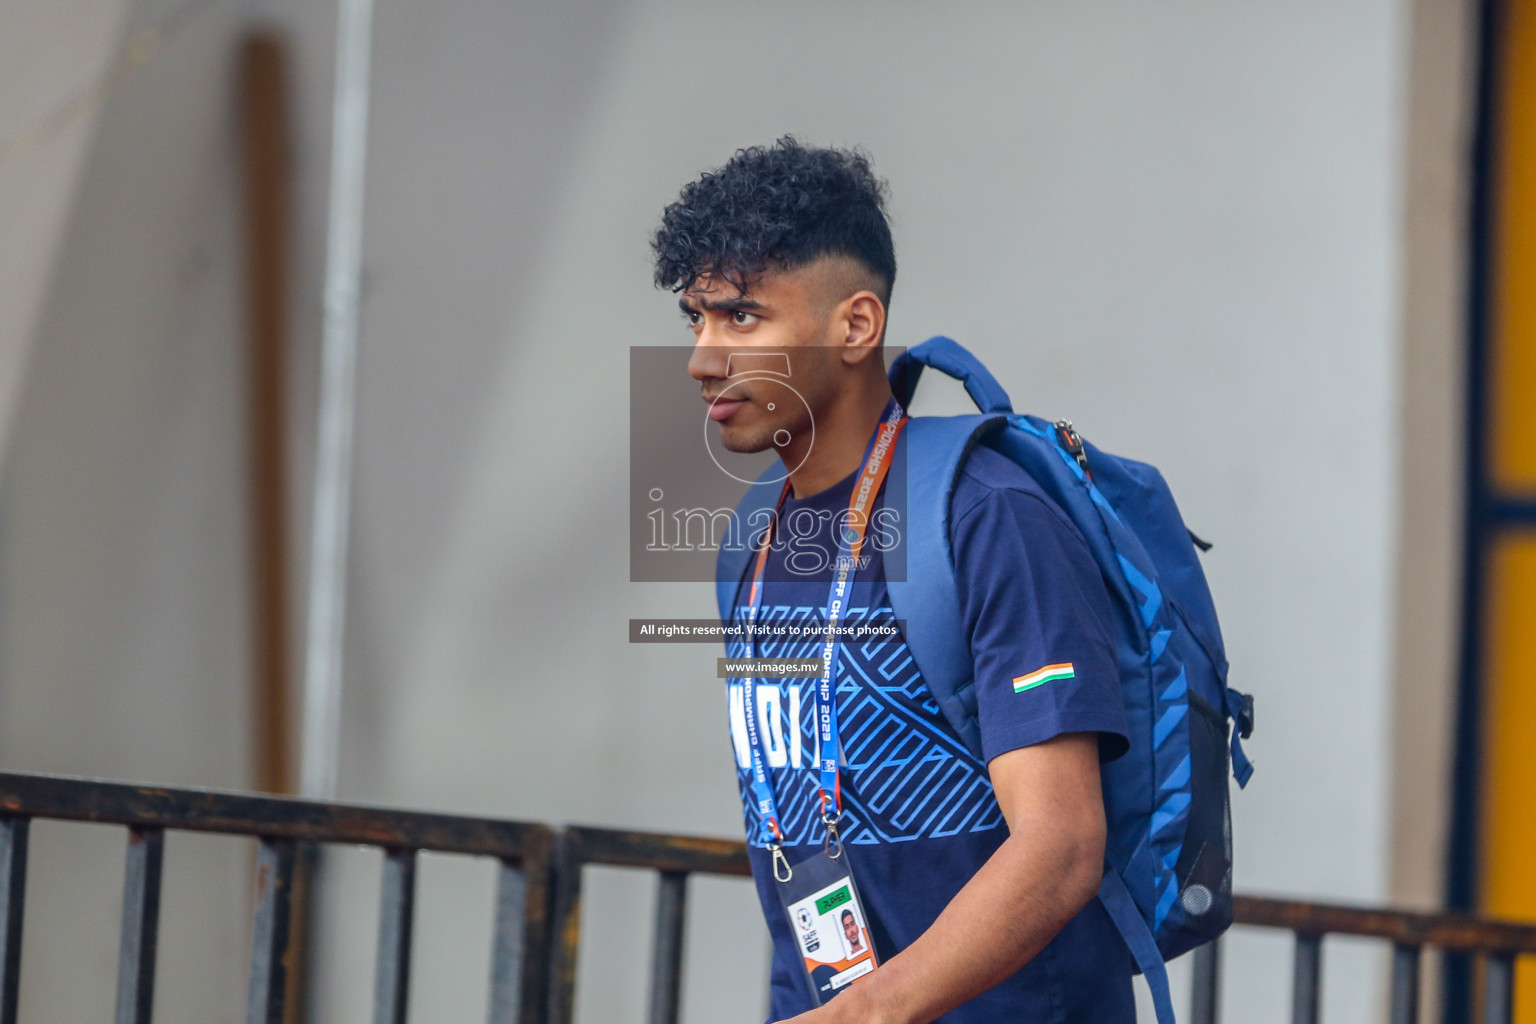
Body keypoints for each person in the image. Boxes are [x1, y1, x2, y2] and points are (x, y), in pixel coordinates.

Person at [653, 137, 1134, 1024]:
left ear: (856, 326)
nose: (702, 358)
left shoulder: (987, 513)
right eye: (697, 319)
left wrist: (865, 1015)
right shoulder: (752, 540)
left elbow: (1062, 843)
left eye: (743, 317)